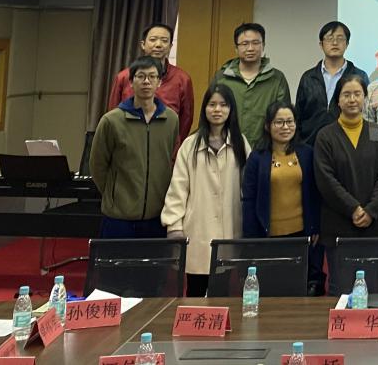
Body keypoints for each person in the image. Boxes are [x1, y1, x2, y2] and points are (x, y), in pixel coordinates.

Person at [162, 83, 252, 296]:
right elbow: (178, 188)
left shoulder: (240, 144)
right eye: (212, 104)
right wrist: (174, 225)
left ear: (231, 109)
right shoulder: (190, 145)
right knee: (195, 292)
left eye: (223, 105)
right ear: (204, 109)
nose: (217, 110)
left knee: (222, 293)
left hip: (229, 232)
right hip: (197, 232)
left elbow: (249, 188)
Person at [89, 56, 180, 238]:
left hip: (157, 216)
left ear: (159, 82)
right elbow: (98, 165)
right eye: (141, 76)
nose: (146, 81)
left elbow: (169, 158)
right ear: (131, 82)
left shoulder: (171, 120)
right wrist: (114, 195)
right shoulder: (111, 121)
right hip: (119, 217)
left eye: (152, 76)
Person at [241, 101, 321, 291]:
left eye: (290, 121)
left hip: (301, 234)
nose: (285, 127)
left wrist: (316, 226)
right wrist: (251, 238)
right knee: (272, 288)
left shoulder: (307, 154)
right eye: (279, 122)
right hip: (267, 236)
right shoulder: (257, 158)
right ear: (268, 126)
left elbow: (315, 194)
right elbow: (249, 199)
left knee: (298, 287)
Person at [313, 74, 378, 256]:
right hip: (338, 225)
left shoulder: (376, 131)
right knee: (341, 275)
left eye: (357, 94)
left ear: (364, 98)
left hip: (373, 225)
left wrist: (370, 211)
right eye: (346, 94)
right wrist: (353, 209)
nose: (352, 99)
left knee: (373, 274)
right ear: (338, 100)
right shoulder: (325, 136)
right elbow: (326, 180)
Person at [106, 22, 194, 153]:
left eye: (164, 41)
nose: (158, 45)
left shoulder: (182, 79)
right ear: (143, 44)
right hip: (128, 147)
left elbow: (185, 120)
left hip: (166, 149)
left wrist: (174, 149)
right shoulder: (124, 77)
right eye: (153, 40)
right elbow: (112, 115)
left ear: (170, 46)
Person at [212, 22, 290, 148]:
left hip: (264, 150)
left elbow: (283, 117)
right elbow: (209, 113)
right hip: (226, 148)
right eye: (244, 44)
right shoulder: (222, 78)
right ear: (236, 48)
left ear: (263, 46)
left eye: (255, 43)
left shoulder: (276, 79)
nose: (250, 48)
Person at [296, 21, 370, 147]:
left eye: (340, 38)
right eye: (330, 38)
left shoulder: (359, 76)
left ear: (347, 44)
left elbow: (367, 114)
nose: (335, 43)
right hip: (310, 145)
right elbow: (298, 115)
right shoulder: (308, 77)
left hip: (348, 146)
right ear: (321, 44)